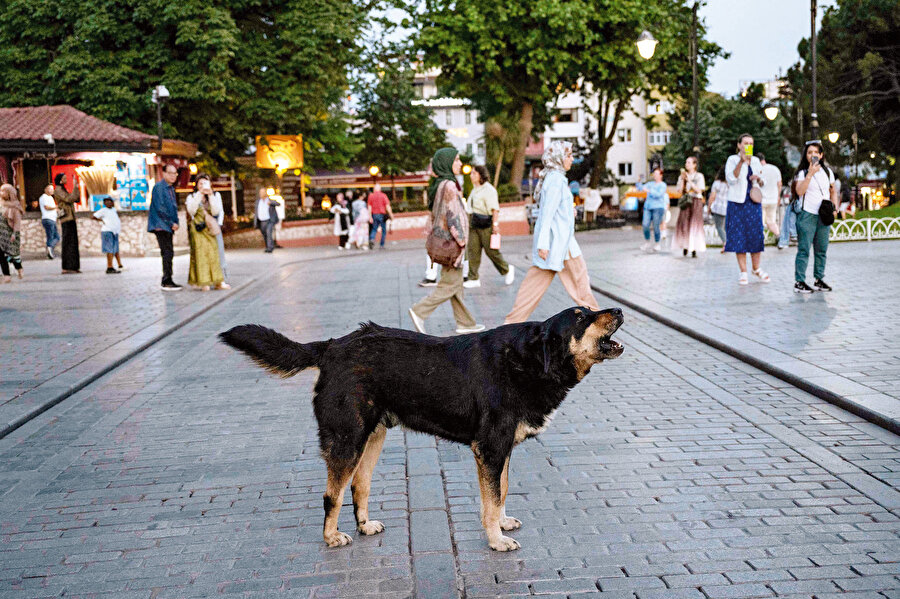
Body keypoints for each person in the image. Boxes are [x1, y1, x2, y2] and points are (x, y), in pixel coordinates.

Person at [504, 141, 601, 324]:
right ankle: (600, 326)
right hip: (561, 246)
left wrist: (568, 212)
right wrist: (542, 244)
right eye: (569, 155)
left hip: (558, 244)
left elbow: (554, 210)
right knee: (581, 289)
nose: (572, 159)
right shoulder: (556, 180)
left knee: (531, 290)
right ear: (558, 158)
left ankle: (509, 327)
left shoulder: (554, 178)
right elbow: (546, 214)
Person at [408, 148, 485, 335]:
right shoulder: (449, 185)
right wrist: (462, 241)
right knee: (449, 285)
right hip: (452, 245)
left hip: (445, 243)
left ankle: (465, 323)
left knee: (455, 285)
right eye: (456, 160)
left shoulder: (440, 184)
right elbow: (453, 217)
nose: (460, 163)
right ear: (446, 162)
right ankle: (419, 311)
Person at [792, 140, 837, 293]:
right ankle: (799, 282)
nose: (812, 155)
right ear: (805, 155)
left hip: (823, 215)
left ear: (821, 155)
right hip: (807, 215)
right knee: (804, 249)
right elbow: (799, 191)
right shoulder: (802, 173)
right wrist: (810, 174)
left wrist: (835, 208)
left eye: (815, 153)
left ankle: (819, 279)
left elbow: (833, 190)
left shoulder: (828, 172)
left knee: (821, 249)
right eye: (809, 152)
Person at [724, 133, 769, 285]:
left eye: (751, 143)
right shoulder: (732, 159)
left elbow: (764, 182)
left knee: (756, 234)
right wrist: (741, 162)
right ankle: (743, 271)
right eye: (745, 143)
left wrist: (758, 179)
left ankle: (756, 268)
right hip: (737, 202)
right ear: (739, 145)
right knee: (739, 237)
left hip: (753, 202)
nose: (748, 145)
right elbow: (731, 179)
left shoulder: (756, 161)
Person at [463, 165, 514, 288]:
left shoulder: (489, 190)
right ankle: (473, 277)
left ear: (481, 175)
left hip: (485, 223)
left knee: (491, 251)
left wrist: (495, 225)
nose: (471, 176)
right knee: (472, 250)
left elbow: (494, 209)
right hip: (473, 222)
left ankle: (506, 269)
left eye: (474, 174)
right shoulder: (475, 189)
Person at [186, 175, 228, 291]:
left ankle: (218, 281)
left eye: (205, 183)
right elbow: (192, 211)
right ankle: (204, 281)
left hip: (210, 229)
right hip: (198, 229)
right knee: (201, 256)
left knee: (214, 254)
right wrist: (200, 194)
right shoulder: (192, 196)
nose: (203, 185)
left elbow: (216, 211)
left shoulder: (214, 195)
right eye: (200, 183)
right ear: (196, 185)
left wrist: (210, 195)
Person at [148, 164, 181, 290]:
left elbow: (173, 207)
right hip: (161, 225)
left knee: (169, 252)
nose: (173, 176)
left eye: (175, 174)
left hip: (167, 226)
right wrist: (171, 223)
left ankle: (168, 278)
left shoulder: (170, 188)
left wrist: (176, 221)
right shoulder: (159, 187)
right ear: (164, 173)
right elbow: (160, 208)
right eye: (171, 173)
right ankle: (166, 280)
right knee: (167, 252)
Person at [673, 156, 707, 258]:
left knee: (694, 224)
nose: (686, 164)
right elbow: (679, 190)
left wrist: (690, 181)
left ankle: (694, 248)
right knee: (684, 224)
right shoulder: (682, 176)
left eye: (689, 162)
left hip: (696, 200)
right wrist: (683, 181)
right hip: (686, 201)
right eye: (686, 162)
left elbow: (699, 190)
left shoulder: (699, 176)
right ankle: (685, 246)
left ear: (694, 165)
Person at [54, 173, 82, 275]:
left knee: (73, 242)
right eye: (64, 178)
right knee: (68, 242)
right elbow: (69, 199)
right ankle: (67, 266)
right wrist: (75, 187)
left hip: (70, 217)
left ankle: (73, 266)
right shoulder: (58, 190)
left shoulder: (62, 189)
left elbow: (75, 198)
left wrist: (76, 188)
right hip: (66, 218)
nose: (66, 179)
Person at [637, 168, 668, 253]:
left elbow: (658, 195)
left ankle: (657, 243)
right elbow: (641, 188)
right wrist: (639, 181)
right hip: (648, 207)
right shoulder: (650, 184)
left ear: (661, 175)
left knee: (656, 226)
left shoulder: (663, 185)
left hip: (658, 207)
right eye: (654, 173)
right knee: (645, 224)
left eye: (657, 174)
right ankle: (647, 241)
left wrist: (650, 191)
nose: (655, 175)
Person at [91, 196, 124, 273]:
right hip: (107, 231)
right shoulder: (103, 210)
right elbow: (93, 216)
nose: (109, 203)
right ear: (104, 203)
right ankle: (109, 267)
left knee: (115, 249)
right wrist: (101, 220)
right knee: (109, 250)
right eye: (107, 201)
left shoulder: (113, 210)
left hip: (114, 232)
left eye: (110, 201)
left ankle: (119, 264)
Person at [0, 184, 24, 282]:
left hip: (10, 234)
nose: (1, 193)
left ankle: (19, 268)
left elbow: (17, 222)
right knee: (1, 254)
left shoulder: (15, 206)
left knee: (13, 255)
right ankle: (6, 275)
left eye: (3, 191)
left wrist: (15, 233)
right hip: (1, 234)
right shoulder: (1, 204)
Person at [758, 153, 783, 238]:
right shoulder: (775, 169)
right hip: (773, 199)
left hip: (761, 200)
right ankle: (779, 236)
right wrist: (778, 196)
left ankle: (760, 240)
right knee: (771, 221)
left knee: (760, 222)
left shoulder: (758, 170)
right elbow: (779, 184)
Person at [708, 167, 729, 251]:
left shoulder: (716, 183)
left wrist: (709, 207)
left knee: (719, 227)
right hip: (727, 207)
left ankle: (725, 243)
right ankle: (727, 242)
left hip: (718, 207)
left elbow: (712, 196)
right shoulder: (729, 184)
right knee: (724, 227)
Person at [367, 183, 392, 249]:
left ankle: (372, 239)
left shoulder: (371, 196)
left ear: (374, 189)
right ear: (380, 189)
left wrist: (370, 216)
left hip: (374, 214)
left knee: (374, 228)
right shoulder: (383, 195)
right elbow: (387, 206)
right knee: (383, 230)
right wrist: (391, 214)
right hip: (382, 214)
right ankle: (382, 244)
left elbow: (369, 207)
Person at [39, 184, 60, 259]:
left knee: (56, 237)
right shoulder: (44, 197)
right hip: (48, 219)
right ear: (46, 189)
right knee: (51, 236)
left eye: (52, 189)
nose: (52, 190)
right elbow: (46, 207)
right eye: (50, 189)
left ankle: (50, 248)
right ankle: (49, 247)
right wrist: (56, 207)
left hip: (52, 219)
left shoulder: (50, 197)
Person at [254, 187, 278, 253]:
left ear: (265, 193)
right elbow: (256, 212)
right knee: (264, 234)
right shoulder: (258, 201)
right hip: (261, 221)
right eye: (260, 192)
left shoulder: (270, 200)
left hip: (269, 220)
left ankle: (270, 248)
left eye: (262, 192)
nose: (261, 194)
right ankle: (267, 247)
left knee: (268, 233)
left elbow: (278, 203)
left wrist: (271, 203)